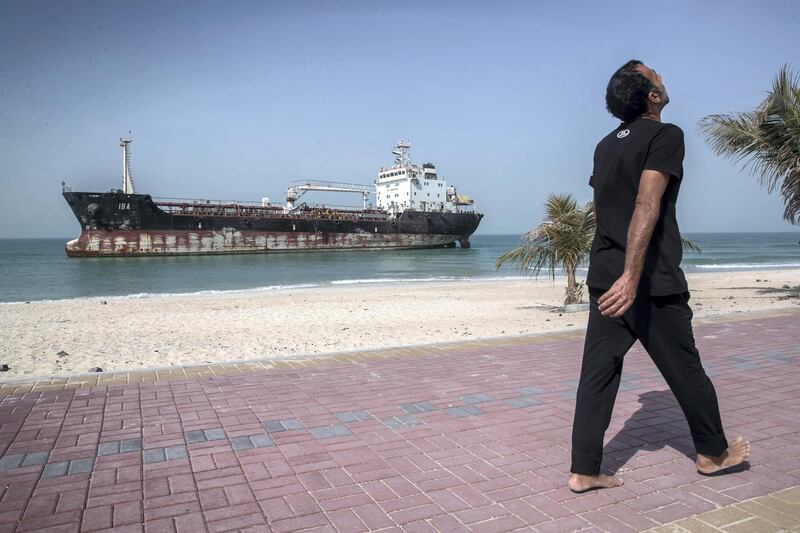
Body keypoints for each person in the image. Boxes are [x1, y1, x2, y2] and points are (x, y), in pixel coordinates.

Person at [568, 60, 750, 493]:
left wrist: (615, 269)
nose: (663, 79)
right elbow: (646, 204)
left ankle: (584, 470)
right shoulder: (667, 135)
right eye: (657, 77)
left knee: (598, 374)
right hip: (648, 279)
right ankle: (712, 453)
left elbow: (603, 209)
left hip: (603, 274)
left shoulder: (604, 145)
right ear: (652, 96)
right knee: (686, 369)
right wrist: (632, 276)